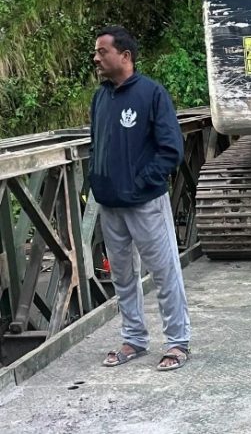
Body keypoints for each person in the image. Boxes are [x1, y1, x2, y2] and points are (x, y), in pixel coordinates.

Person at [89, 26, 191, 371]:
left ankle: (177, 342)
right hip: (110, 203)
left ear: (125, 56)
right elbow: (96, 145)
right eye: (96, 52)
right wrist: (98, 180)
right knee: (122, 276)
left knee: (164, 273)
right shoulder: (100, 98)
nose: (96, 58)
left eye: (102, 51)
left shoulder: (152, 94)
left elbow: (171, 149)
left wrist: (141, 181)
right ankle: (134, 339)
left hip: (145, 202)